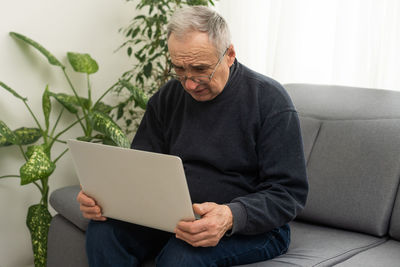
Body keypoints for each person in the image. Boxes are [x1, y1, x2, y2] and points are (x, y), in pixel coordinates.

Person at [77, 5, 308, 267]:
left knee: (181, 257)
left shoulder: (270, 101)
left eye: (200, 69)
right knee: (104, 233)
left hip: (253, 228)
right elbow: (141, 169)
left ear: (230, 54)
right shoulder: (167, 97)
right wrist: (105, 197)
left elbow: (288, 193)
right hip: (173, 217)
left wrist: (230, 216)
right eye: (179, 69)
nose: (189, 83)